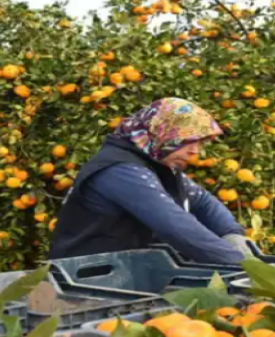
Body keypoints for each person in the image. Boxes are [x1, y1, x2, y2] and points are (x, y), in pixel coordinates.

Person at [49, 97, 254, 263]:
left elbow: (202, 201)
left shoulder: (157, 164)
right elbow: (174, 224)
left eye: (200, 144)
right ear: (162, 131)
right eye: (188, 140)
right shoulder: (120, 170)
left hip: (127, 269)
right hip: (88, 278)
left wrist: (232, 234)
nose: (195, 152)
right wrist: (244, 264)